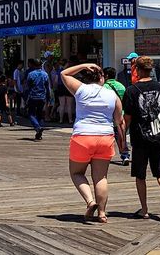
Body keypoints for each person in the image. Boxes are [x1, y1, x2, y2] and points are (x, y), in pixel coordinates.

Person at [61, 63, 123, 224]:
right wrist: (123, 144)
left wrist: (82, 66)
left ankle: (90, 201)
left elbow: (64, 74)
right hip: (105, 137)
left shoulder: (81, 90)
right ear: (102, 78)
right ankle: (102, 213)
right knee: (101, 177)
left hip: (83, 136)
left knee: (77, 173)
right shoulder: (112, 95)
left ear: (86, 77)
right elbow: (119, 121)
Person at [123, 56, 160, 223]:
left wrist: (122, 139)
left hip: (140, 138)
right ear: (151, 70)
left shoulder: (131, 91)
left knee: (140, 174)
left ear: (137, 70)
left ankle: (144, 209)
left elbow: (128, 118)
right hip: (159, 135)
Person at [103, 67, 130, 165]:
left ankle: (103, 156)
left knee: (106, 137)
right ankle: (125, 155)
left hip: (109, 116)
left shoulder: (104, 87)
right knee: (121, 136)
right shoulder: (121, 86)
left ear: (106, 76)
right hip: (121, 115)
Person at [25, 59, 50, 140]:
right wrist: (48, 97)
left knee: (31, 114)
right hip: (42, 96)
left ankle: (37, 127)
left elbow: (28, 87)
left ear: (34, 65)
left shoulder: (31, 74)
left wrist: (26, 98)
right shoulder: (45, 74)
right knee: (40, 114)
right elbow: (47, 87)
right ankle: (39, 130)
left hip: (33, 96)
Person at [56, 59, 74, 124]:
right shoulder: (69, 71)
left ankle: (61, 120)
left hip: (60, 87)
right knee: (69, 105)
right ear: (66, 64)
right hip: (68, 87)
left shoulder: (59, 71)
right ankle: (70, 120)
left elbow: (56, 80)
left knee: (62, 105)